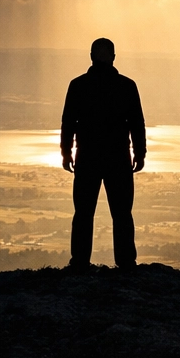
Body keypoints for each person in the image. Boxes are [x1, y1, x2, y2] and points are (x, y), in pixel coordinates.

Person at [60, 37, 146, 270]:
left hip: (87, 156)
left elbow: (68, 122)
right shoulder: (127, 86)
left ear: (90, 57)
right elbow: (137, 123)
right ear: (114, 57)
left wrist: (66, 152)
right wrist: (140, 152)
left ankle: (79, 261)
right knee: (121, 213)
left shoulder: (78, 85)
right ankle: (126, 262)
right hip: (117, 157)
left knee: (84, 213)